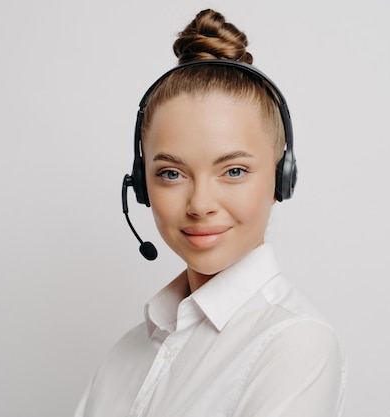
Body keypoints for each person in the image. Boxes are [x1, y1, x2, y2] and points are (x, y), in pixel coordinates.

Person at [74, 9, 346, 417]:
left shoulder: (295, 344)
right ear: (142, 184)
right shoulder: (126, 355)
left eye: (233, 171)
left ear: (280, 179)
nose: (200, 204)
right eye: (171, 173)